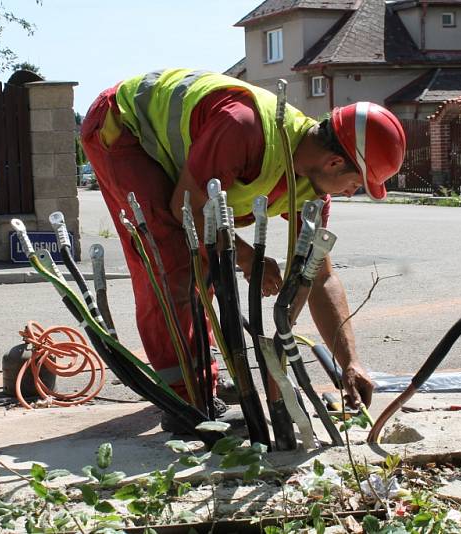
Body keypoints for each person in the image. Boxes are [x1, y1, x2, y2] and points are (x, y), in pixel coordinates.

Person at [80, 68, 405, 430]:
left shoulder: (313, 190)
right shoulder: (244, 126)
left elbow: (319, 277)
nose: (350, 192)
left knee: (206, 261)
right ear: (333, 162)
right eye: (356, 183)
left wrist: (349, 361)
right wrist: (248, 257)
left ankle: (203, 380)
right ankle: (186, 400)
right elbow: (186, 209)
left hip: (183, 163)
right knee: (172, 261)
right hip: (123, 129)